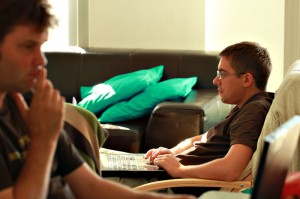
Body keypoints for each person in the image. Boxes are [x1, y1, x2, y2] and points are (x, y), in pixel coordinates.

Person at [0, 0, 196, 199]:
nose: (42, 60)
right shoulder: (40, 122)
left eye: (41, 47)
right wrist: (43, 141)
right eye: (28, 46)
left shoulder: (30, 103)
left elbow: (88, 186)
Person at [139, 41, 274, 195]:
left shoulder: (254, 110)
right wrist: (171, 152)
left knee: (105, 180)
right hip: (164, 176)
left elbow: (231, 169)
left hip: (165, 185)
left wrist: (180, 170)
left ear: (246, 80)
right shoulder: (245, 107)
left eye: (222, 74)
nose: (215, 81)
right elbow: (201, 138)